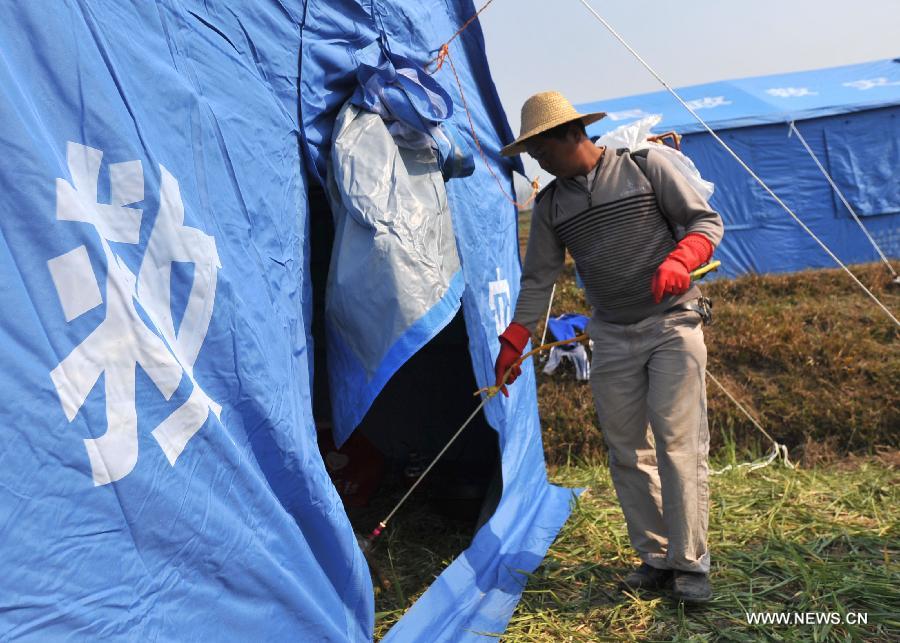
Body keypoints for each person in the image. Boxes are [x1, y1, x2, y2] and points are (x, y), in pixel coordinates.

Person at [495, 91, 724, 603]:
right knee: (627, 451)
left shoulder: (647, 166)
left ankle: (690, 565)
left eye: (543, 149)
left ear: (573, 135)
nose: (539, 160)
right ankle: (656, 556)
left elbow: (706, 223)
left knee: (677, 444)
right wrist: (516, 338)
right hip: (612, 335)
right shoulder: (553, 205)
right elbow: (538, 280)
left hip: (672, 325)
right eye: (531, 153)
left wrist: (680, 260)